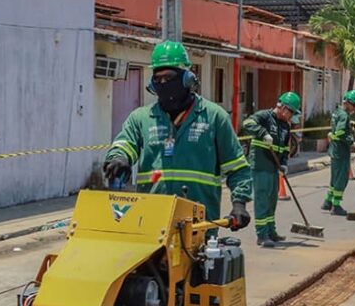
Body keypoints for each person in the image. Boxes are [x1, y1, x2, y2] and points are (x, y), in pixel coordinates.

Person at [104, 40, 253, 229]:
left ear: (187, 79)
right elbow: (125, 142)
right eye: (157, 79)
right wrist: (119, 158)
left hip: (200, 225)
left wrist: (239, 204)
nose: (163, 84)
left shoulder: (214, 117)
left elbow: (237, 167)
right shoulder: (141, 118)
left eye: (169, 77)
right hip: (151, 224)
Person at [241, 92, 301, 248]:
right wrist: (263, 133)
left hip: (274, 166)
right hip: (261, 164)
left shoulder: (285, 126)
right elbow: (247, 124)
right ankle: (262, 235)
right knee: (262, 199)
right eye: (292, 112)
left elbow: (284, 148)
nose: (292, 116)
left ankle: (271, 231)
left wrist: (284, 164)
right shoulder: (264, 116)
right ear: (283, 108)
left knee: (272, 201)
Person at [321, 91, 355, 216]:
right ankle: (336, 205)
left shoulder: (337, 112)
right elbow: (340, 132)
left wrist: (349, 126)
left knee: (334, 178)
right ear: (349, 104)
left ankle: (328, 202)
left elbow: (337, 129)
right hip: (341, 151)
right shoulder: (344, 115)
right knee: (341, 179)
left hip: (334, 150)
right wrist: (351, 142)